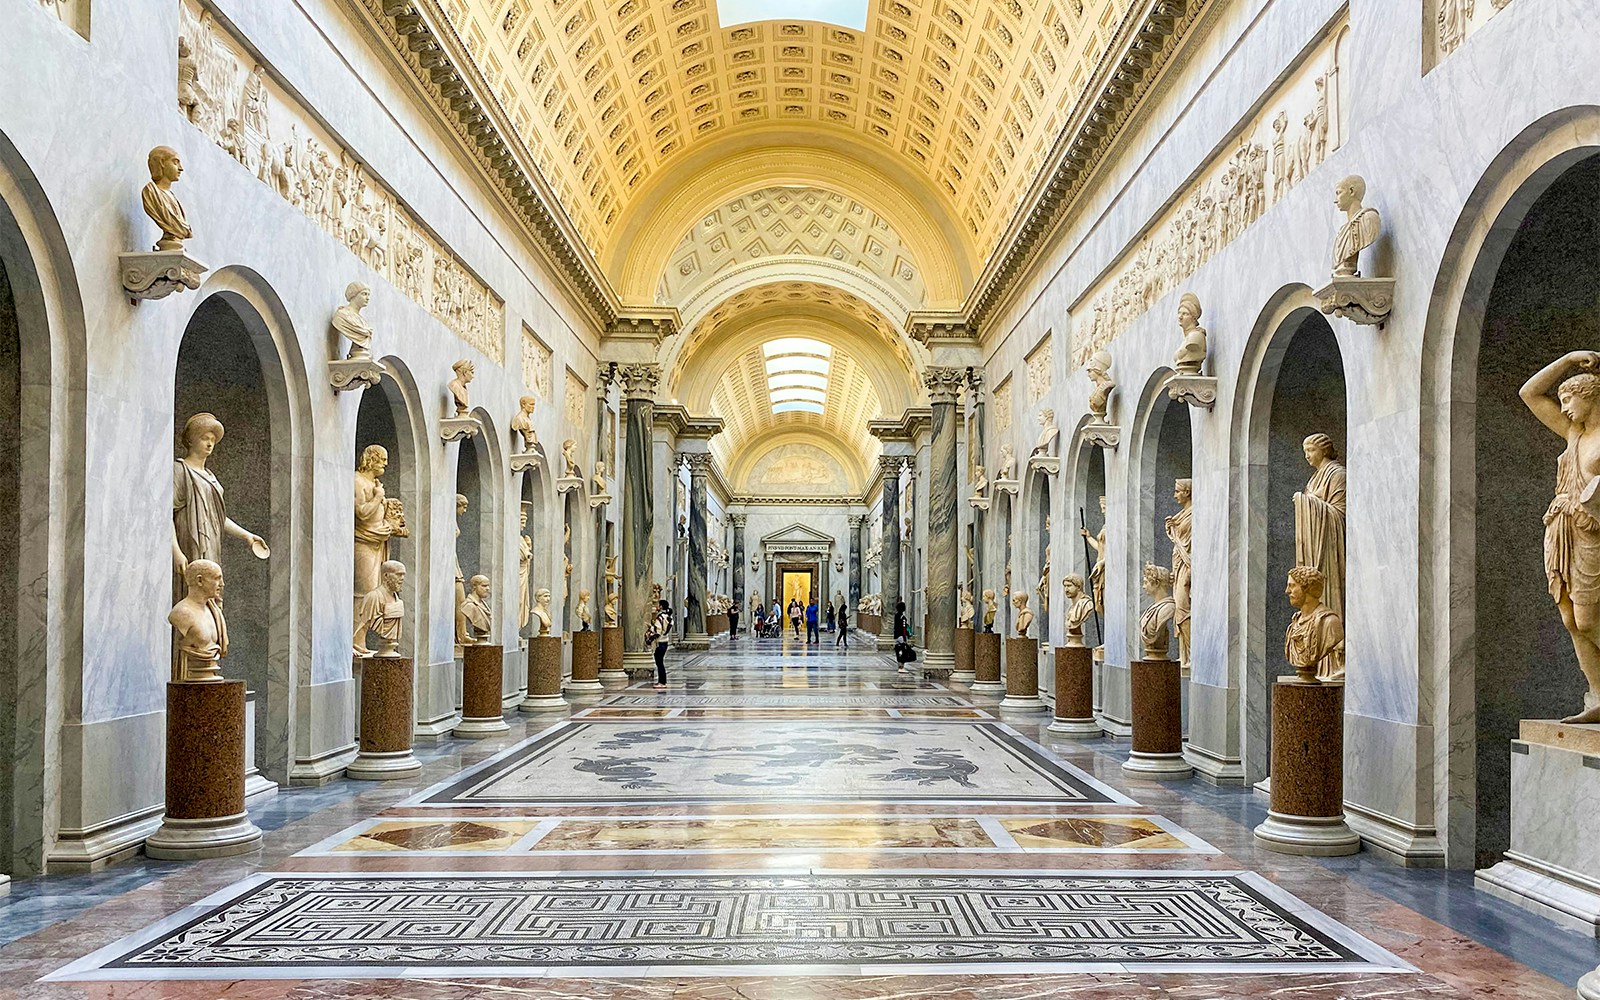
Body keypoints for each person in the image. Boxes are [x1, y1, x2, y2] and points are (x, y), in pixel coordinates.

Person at [649, 599, 672, 689]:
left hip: (660, 642)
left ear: (661, 606)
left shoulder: (660, 618)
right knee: (660, 662)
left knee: (659, 663)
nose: (657, 606)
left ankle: (662, 682)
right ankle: (662, 681)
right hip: (665, 641)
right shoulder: (668, 616)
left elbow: (657, 631)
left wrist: (650, 629)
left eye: (658, 605)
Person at [893, 600, 912, 672]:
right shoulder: (902, 617)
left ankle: (899, 665)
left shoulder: (896, 616)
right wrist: (905, 637)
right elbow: (903, 627)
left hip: (897, 635)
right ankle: (901, 667)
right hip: (901, 636)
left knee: (898, 650)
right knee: (903, 650)